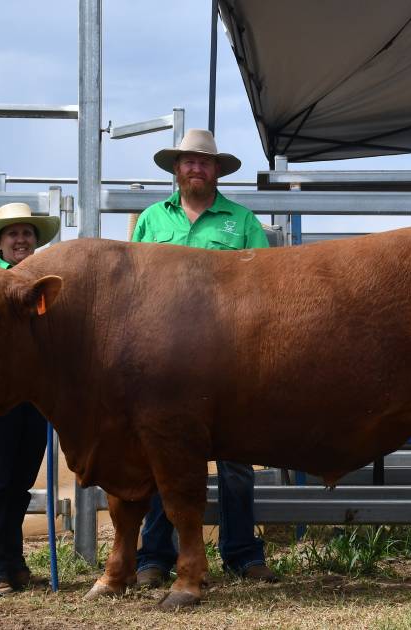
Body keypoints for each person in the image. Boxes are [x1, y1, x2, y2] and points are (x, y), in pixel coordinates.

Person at [131, 128, 278, 585]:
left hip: (227, 357)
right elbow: (132, 286)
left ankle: (241, 553)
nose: (196, 168)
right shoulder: (151, 219)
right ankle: (154, 557)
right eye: (188, 161)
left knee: (236, 459)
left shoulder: (241, 221)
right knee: (163, 458)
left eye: (204, 161)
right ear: (176, 170)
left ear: (217, 170)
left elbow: (267, 284)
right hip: (165, 360)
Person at [0, 202, 61, 598]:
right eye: (12, 234)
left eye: (27, 233)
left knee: (20, 478)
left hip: (33, 396)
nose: (20, 239)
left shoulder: (44, 286)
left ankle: (13, 562)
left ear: (35, 242)